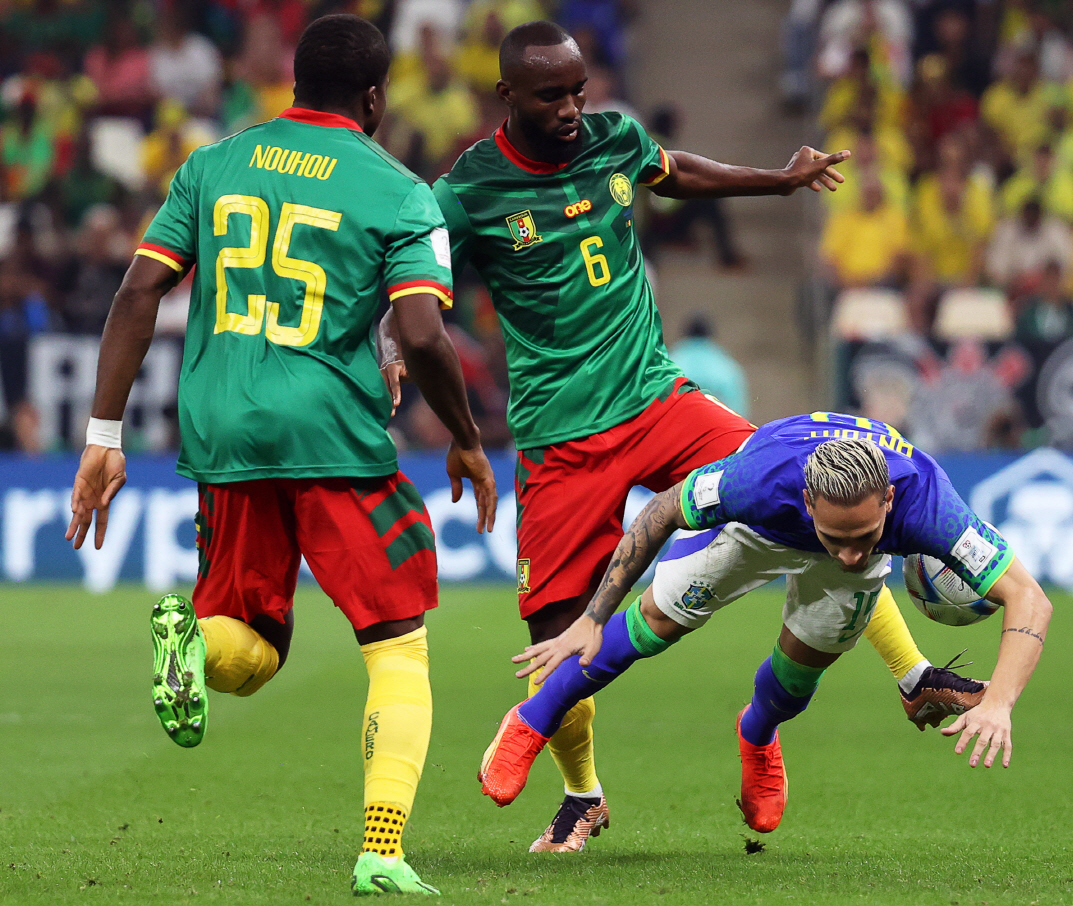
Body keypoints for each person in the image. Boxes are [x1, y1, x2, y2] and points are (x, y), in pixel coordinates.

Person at [383, 20, 986, 853]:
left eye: (578, 90)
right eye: (551, 95)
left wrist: (777, 182)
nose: (570, 108)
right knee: (556, 640)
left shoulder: (613, 138)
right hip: (561, 436)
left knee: (816, 495)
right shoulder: (466, 191)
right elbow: (413, 276)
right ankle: (583, 796)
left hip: (661, 398)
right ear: (508, 96)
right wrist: (391, 336)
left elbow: (674, 172)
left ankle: (911, 677)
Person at [63, 15, 498, 896]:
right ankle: (382, 846)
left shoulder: (211, 164)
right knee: (397, 643)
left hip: (223, 431)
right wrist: (465, 435)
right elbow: (422, 329)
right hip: (329, 433)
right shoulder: (398, 190)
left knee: (251, 653)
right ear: (376, 97)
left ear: (295, 82)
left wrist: (102, 439)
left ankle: (190, 638)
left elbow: (139, 290)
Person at [480, 416, 1053, 834]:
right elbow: (659, 512)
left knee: (800, 676)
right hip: (757, 534)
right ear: (807, 500)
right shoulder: (756, 481)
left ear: (888, 500)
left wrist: (999, 702)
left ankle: (756, 734)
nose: (852, 555)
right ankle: (533, 717)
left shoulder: (928, 505)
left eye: (864, 538)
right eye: (836, 537)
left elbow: (1029, 599)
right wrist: (592, 616)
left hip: (830, 537)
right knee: (657, 621)